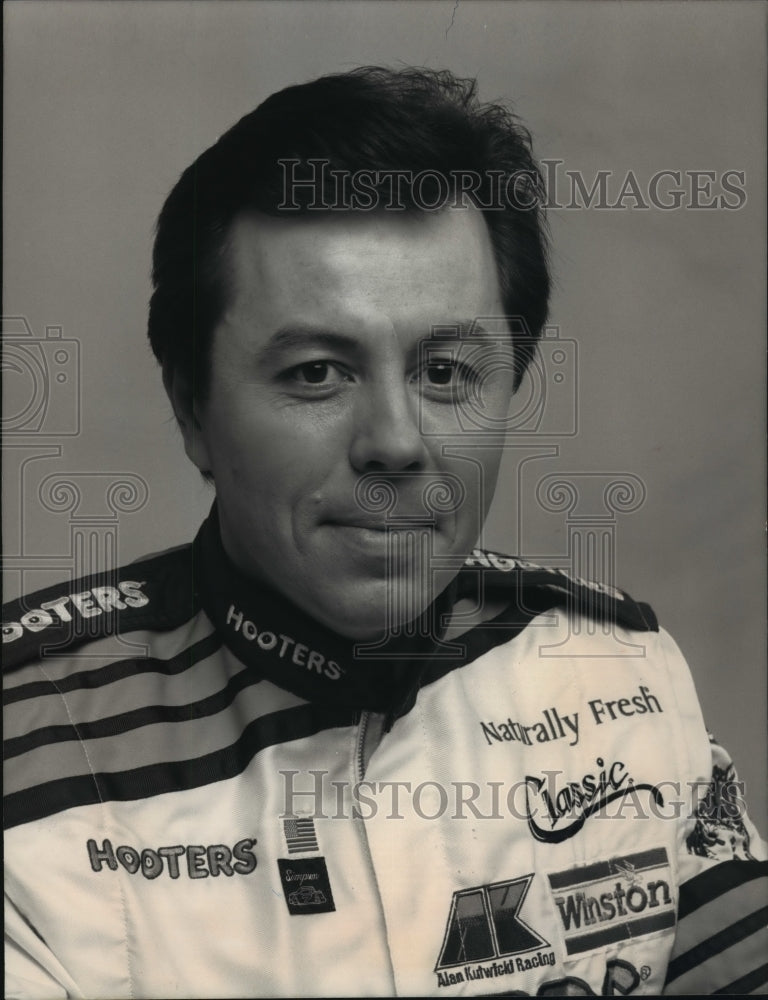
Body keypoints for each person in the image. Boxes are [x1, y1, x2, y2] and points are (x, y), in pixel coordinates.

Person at [3, 67, 765, 999]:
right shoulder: (25, 749)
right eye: (318, 373)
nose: (396, 443)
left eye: (446, 371)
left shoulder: (619, 679)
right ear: (191, 406)